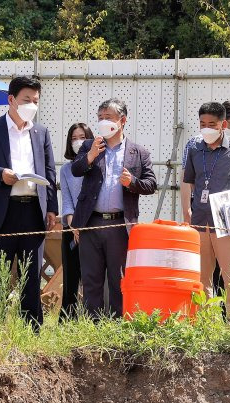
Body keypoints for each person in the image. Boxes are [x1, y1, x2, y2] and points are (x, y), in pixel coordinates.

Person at [0, 76, 58, 330]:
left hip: (33, 210)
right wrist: (0, 173)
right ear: (11, 100)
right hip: (0, 211)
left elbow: (49, 172)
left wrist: (52, 208)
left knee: (31, 275)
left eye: (35, 100)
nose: (31, 105)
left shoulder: (41, 132)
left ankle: (31, 330)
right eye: (26, 99)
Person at [72, 99, 157, 318]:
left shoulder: (138, 152)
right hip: (91, 222)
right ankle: (92, 326)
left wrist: (133, 182)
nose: (102, 122)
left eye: (108, 118)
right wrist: (90, 155)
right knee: (91, 280)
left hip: (120, 224)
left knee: (118, 279)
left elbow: (151, 185)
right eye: (100, 117)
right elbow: (76, 170)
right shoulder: (90, 146)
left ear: (122, 121)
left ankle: (118, 327)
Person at [182, 101, 230, 321]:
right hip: (200, 221)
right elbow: (188, 182)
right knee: (201, 278)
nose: (206, 128)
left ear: (223, 124)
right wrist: (187, 212)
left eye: (212, 124)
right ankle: (206, 325)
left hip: (227, 222)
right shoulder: (195, 150)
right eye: (202, 123)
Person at [59, 122, 93, 319]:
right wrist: (73, 226)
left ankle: (92, 317)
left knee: (92, 277)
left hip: (94, 227)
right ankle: (68, 319)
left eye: (82, 137)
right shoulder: (66, 169)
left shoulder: (97, 164)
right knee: (71, 276)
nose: (78, 142)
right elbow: (67, 202)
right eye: (74, 138)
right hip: (71, 228)